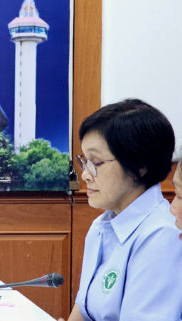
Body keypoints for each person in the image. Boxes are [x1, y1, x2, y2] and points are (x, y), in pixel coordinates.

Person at [65, 99, 182, 321]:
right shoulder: (100, 226)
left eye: (96, 163)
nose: (86, 174)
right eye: (84, 161)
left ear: (140, 166)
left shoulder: (163, 235)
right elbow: (83, 309)